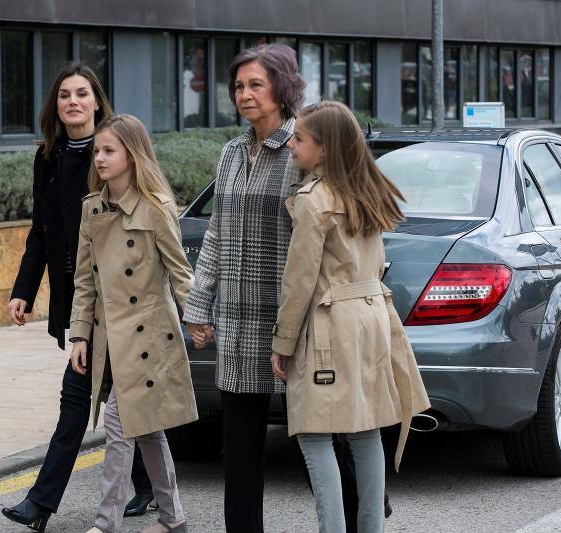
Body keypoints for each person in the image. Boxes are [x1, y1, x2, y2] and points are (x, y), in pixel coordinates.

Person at [1, 64, 155, 533]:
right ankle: (150, 486)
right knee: (113, 392)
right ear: (57, 104)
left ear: (96, 101)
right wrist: (23, 291)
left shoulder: (109, 152)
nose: (73, 101)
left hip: (111, 297)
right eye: (65, 94)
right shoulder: (47, 156)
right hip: (75, 295)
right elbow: (40, 231)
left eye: (82, 93)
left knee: (79, 396)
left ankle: (40, 504)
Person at [270, 100, 430, 533]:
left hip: (329, 326)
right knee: (365, 429)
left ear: (324, 149)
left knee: (314, 433)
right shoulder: (366, 190)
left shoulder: (313, 199)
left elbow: (299, 281)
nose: (290, 146)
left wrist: (282, 345)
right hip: (372, 317)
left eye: (299, 139)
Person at [182, 44, 305, 533]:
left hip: (289, 321)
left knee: (323, 439)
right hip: (236, 322)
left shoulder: (302, 148)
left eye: (256, 84)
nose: (245, 94)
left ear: (283, 88)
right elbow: (215, 233)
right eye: (239, 86)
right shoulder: (232, 153)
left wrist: (296, 322)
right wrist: (199, 304)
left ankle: (360, 510)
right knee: (241, 453)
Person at [69, 114, 197, 533]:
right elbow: (84, 281)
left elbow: (180, 272)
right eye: (97, 151)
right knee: (146, 431)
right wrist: (79, 335)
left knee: (119, 429)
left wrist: (196, 318)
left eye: (109, 150)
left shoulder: (156, 207)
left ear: (132, 154)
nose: (100, 158)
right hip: (110, 339)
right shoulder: (92, 209)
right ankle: (172, 516)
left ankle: (105, 524)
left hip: (148, 338)